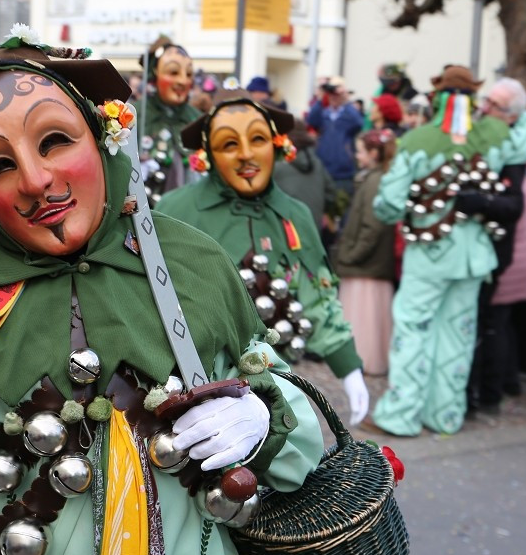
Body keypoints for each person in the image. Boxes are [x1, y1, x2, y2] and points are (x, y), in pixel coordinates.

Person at [0, 29, 324, 555]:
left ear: (101, 137)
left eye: (55, 140)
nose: (34, 180)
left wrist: (266, 417)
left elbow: (298, 441)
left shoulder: (192, 263)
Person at [156, 90, 370, 426]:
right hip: (197, 388)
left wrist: (348, 367)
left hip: (277, 382)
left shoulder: (294, 214)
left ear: (277, 144)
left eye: (257, 139)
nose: (245, 155)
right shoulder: (174, 211)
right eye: (229, 144)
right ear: (208, 154)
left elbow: (317, 295)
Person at [364, 65, 514, 436]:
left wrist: (407, 207)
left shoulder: (418, 140)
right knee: (459, 333)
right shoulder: (493, 136)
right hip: (474, 254)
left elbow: (390, 204)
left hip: (429, 252)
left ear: (437, 96)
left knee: (414, 328)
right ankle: (445, 413)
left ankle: (402, 415)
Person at [464, 77, 526, 417]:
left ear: (511, 115)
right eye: (486, 101)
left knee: (491, 324)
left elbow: (513, 207)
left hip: (500, 252)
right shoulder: (498, 141)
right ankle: (485, 392)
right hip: (496, 248)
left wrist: (475, 201)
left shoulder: (513, 150)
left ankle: (487, 395)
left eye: (494, 105)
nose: (484, 108)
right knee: (490, 322)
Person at [334, 129, 397, 376]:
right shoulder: (375, 178)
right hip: (370, 263)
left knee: (363, 318)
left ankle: (362, 361)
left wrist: (351, 255)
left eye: (360, 151)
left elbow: (372, 227)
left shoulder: (374, 182)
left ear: (373, 153)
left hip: (365, 264)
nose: (357, 156)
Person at [139, 36, 202, 202]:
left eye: (188, 73)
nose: (182, 80)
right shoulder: (134, 115)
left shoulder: (198, 119)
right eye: (173, 72)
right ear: (155, 73)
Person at [307, 76, 363, 195]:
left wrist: (346, 101)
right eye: (330, 93)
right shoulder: (325, 113)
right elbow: (311, 120)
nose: (333, 96)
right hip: (324, 169)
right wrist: (321, 98)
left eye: (336, 93)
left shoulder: (348, 113)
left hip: (343, 172)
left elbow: (358, 123)